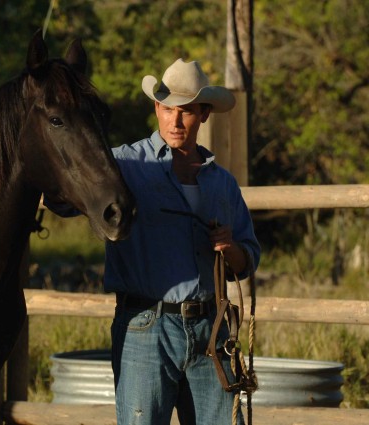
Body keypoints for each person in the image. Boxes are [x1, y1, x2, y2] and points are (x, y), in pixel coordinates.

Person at [46, 58, 260, 425]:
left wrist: (230, 249)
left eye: (187, 111)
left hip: (211, 327)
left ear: (204, 114)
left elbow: (247, 260)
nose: (176, 122)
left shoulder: (221, 182)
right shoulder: (125, 166)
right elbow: (63, 196)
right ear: (157, 108)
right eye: (168, 109)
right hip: (146, 325)